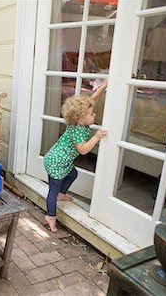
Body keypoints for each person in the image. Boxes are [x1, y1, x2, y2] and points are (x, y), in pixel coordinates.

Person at [43, 79, 108, 233]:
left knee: (73, 174)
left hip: (62, 160)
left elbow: (93, 100)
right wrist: (96, 137)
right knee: (52, 189)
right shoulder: (78, 131)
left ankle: (61, 194)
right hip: (56, 162)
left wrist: (104, 86)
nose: (95, 114)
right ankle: (50, 216)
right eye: (92, 114)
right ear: (81, 119)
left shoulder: (78, 121)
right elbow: (83, 150)